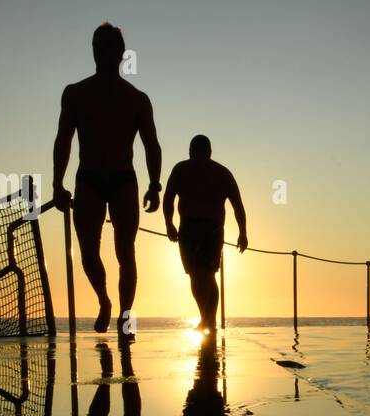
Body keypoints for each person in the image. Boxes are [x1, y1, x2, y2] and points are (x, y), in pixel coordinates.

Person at [53, 22, 162, 334]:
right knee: (88, 251)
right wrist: (56, 184)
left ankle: (126, 314)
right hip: (88, 179)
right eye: (97, 45)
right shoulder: (75, 94)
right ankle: (104, 299)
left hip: (124, 180)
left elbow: (151, 144)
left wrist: (155, 184)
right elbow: (63, 140)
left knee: (125, 251)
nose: (101, 50)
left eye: (108, 45)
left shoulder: (137, 99)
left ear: (121, 52)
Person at [163, 135, 248, 332]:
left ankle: (209, 319)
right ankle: (206, 318)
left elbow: (237, 205)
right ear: (191, 152)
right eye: (196, 152)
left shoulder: (221, 173)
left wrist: (243, 232)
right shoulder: (181, 170)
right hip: (190, 229)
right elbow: (168, 199)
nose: (199, 156)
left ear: (208, 152)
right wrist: (168, 224)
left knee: (207, 275)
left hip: (211, 229)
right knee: (197, 275)